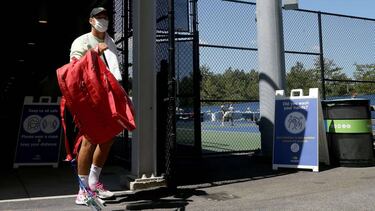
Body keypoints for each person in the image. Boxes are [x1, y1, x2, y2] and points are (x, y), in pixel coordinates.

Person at [69, 7, 122, 206]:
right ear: (91, 20)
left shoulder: (110, 41)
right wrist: (93, 53)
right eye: (99, 17)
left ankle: (93, 182)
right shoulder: (82, 41)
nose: (103, 20)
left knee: (108, 138)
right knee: (89, 140)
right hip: (88, 97)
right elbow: (73, 70)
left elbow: (114, 70)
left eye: (106, 17)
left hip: (109, 97)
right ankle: (82, 190)